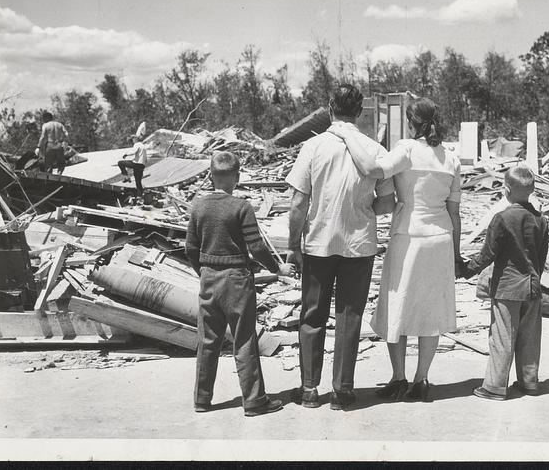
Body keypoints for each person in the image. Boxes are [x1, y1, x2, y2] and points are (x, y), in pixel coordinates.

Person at [331, 97, 462, 402]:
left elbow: (373, 168)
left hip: (409, 234)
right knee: (430, 311)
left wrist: (349, 134)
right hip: (440, 237)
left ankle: (398, 378)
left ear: (410, 122)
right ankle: (422, 380)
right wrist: (456, 255)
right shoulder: (450, 158)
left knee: (397, 306)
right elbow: (454, 212)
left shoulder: (406, 149)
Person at [285, 84, 395, 411]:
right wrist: (361, 211)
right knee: (349, 316)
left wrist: (294, 246)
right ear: (360, 112)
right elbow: (387, 203)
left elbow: (298, 202)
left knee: (312, 315)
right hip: (359, 244)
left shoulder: (314, 146)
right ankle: (343, 390)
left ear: (330, 108)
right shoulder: (375, 149)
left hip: (319, 242)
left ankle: (308, 389)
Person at [186, 151, 289, 416]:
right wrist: (278, 268)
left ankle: (202, 399)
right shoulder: (241, 207)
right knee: (244, 339)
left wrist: (204, 271)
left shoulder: (198, 207)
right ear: (237, 177)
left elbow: (190, 248)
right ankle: (254, 401)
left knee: (208, 340)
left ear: (210, 176)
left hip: (209, 278)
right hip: (237, 280)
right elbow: (256, 246)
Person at [468, 164, 549, 401]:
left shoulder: (502, 218)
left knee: (502, 336)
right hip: (533, 287)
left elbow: (487, 254)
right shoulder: (541, 220)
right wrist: (534, 279)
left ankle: (494, 387)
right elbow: (541, 258)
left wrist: (465, 269)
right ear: (532, 190)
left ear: (506, 190)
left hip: (507, 288)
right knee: (529, 337)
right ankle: (529, 382)